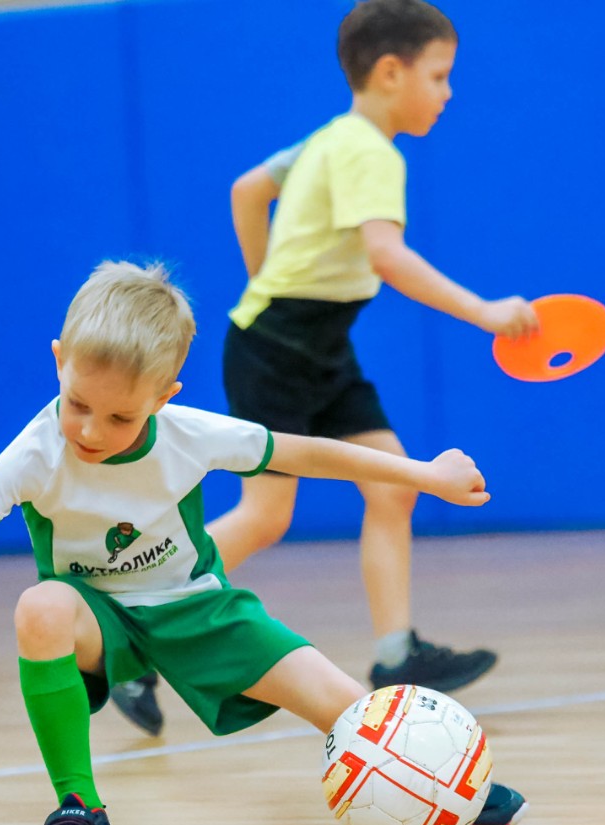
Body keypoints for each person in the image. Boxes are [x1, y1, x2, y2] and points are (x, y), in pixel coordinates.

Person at [0, 260, 526, 825]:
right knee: (41, 607)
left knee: (349, 708)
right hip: (100, 616)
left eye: (118, 418)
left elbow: (309, 452)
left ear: (165, 396)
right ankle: (79, 814)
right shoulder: (34, 451)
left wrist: (422, 473)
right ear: (59, 357)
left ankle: (436, 784)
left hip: (197, 607)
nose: (89, 430)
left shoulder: (189, 437)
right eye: (78, 404)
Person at [108, 0, 539, 736]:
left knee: (393, 482)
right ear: (390, 71)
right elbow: (386, 255)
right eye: (440, 76)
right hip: (278, 348)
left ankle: (396, 652)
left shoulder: (329, 139)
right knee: (268, 516)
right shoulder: (372, 150)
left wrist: (260, 279)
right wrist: (486, 312)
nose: (448, 92)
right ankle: (133, 631)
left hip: (319, 343)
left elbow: (249, 189)